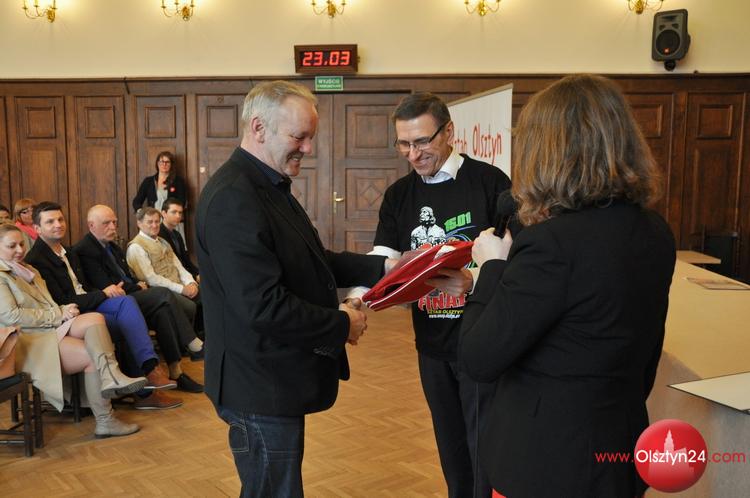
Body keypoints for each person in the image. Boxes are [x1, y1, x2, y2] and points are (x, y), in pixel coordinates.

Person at [458, 74, 676, 497]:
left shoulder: (552, 243)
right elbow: (646, 351)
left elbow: (478, 358)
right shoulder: (655, 231)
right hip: (620, 449)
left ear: (546, 152)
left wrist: (492, 268)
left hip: (548, 463)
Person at [195, 80, 389, 497]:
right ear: (259, 127)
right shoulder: (234, 197)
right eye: (299, 136)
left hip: (271, 378)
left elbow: (313, 260)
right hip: (257, 385)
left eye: (310, 137)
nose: (307, 148)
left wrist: (385, 266)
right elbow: (263, 306)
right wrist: (342, 324)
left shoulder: (266, 185)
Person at [366, 92, 511, 498]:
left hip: (481, 340)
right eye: (403, 144)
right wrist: (361, 298)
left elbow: (516, 259)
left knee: (483, 447)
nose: (413, 155)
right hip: (430, 341)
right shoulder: (399, 195)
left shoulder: (490, 183)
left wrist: (473, 280)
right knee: (450, 447)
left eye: (422, 142)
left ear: (448, 131)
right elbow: (382, 257)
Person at [0, 223, 145, 438]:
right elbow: (11, 316)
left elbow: (48, 303)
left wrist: (65, 309)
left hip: (47, 329)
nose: (20, 250)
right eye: (12, 246)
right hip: (25, 342)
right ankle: (105, 420)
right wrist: (58, 314)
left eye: (21, 244)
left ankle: (111, 376)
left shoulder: (29, 270)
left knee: (95, 318)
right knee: (90, 353)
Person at [24, 201, 176, 393]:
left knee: (126, 302)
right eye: (50, 222)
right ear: (37, 228)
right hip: (70, 315)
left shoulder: (69, 252)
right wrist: (103, 293)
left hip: (89, 303)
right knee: (127, 319)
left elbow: (86, 287)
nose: (58, 224)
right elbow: (62, 301)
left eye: (60, 219)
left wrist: (107, 291)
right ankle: (145, 387)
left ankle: (150, 372)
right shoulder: (36, 259)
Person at [75, 205, 203, 399]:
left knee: (162, 311)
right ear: (91, 225)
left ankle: (176, 371)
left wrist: (136, 284)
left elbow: (127, 276)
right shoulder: (85, 249)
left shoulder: (112, 246)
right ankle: (191, 343)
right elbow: (108, 285)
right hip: (114, 301)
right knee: (162, 294)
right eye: (106, 223)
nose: (113, 227)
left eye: (114, 222)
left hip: (128, 295)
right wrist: (136, 286)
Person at [126, 207, 201, 336]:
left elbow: (179, 267)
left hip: (179, 285)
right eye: (150, 222)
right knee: (190, 306)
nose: (155, 225)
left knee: (206, 295)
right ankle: (189, 341)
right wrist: (182, 289)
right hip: (160, 291)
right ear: (139, 223)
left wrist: (191, 283)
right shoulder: (136, 247)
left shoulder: (163, 242)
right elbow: (151, 279)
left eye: (157, 221)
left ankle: (205, 337)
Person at [160, 197, 199, 279]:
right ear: (164, 213)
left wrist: (198, 273)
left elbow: (186, 260)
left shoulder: (177, 234)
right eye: (174, 212)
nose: (178, 216)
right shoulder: (159, 234)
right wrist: (194, 277)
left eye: (180, 213)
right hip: (173, 277)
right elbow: (170, 265)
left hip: (185, 274)